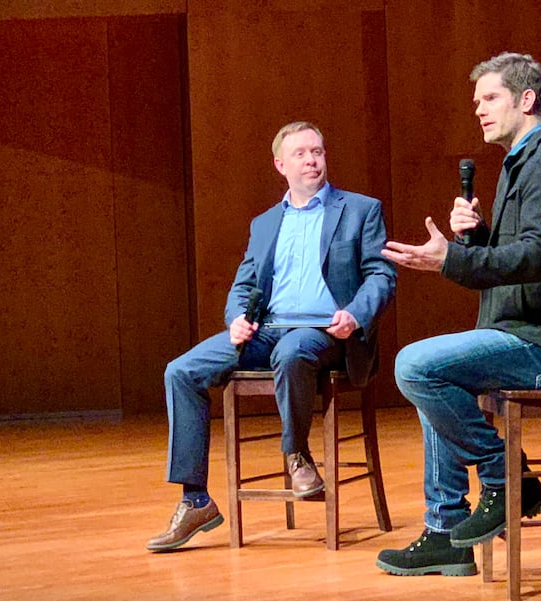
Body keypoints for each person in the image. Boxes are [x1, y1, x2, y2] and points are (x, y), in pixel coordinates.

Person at [375, 52, 541, 576]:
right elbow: (529, 253)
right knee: (435, 374)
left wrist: (453, 259)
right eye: (477, 101)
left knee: (416, 365)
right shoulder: (523, 162)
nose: (478, 109)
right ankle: (445, 532)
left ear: (526, 100)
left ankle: (506, 479)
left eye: (490, 97)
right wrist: (476, 238)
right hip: (527, 333)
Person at [146, 121, 397, 552]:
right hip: (267, 330)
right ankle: (195, 499)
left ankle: (296, 454)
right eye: (301, 153)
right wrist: (237, 318)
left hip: (327, 331)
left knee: (294, 349)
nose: (312, 160)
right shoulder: (265, 223)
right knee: (181, 371)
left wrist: (354, 315)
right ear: (281, 165)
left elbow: (381, 274)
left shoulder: (359, 209)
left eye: (317, 151)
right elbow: (244, 285)